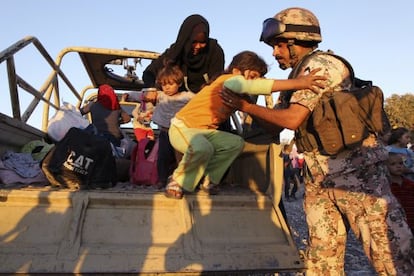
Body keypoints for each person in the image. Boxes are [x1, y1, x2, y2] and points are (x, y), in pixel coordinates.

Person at [221, 7, 414, 275]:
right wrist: (246, 101)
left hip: (358, 179)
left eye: (278, 45)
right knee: (322, 262)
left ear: (295, 41)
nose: (274, 53)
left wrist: (245, 105)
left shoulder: (320, 67)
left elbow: (291, 120)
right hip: (321, 180)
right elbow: (275, 123)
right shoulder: (296, 77)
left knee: (390, 257)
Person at [164, 50, 326, 199]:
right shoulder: (229, 80)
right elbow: (254, 86)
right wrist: (299, 83)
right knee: (202, 147)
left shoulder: (235, 92)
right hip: (183, 127)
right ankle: (177, 180)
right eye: (253, 76)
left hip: (203, 132)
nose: (255, 81)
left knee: (234, 143)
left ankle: (209, 179)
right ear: (236, 71)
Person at [142, 14, 224, 94]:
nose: (198, 46)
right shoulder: (175, 52)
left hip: (203, 101)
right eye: (194, 42)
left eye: (202, 42)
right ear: (186, 39)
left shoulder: (215, 51)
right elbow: (149, 73)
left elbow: (216, 80)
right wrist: (151, 89)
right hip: (177, 102)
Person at [145, 65, 195, 189]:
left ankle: (181, 180)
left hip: (180, 133)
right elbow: (142, 95)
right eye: (163, 84)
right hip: (165, 132)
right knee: (163, 156)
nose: (166, 87)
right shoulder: (160, 96)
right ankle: (162, 179)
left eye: (170, 84)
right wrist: (128, 95)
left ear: (178, 83)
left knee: (181, 157)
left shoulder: (187, 96)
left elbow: (200, 101)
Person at [387, 152, 414, 232]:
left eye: (401, 163)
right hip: (397, 225)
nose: (398, 166)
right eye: (393, 164)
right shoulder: (386, 186)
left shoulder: (410, 184)